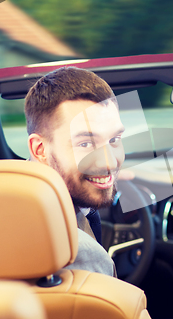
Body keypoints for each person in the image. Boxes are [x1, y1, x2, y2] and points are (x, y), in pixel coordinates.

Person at [25, 66, 124, 276]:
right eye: (86, 144)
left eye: (114, 140)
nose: (109, 162)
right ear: (40, 150)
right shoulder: (79, 254)